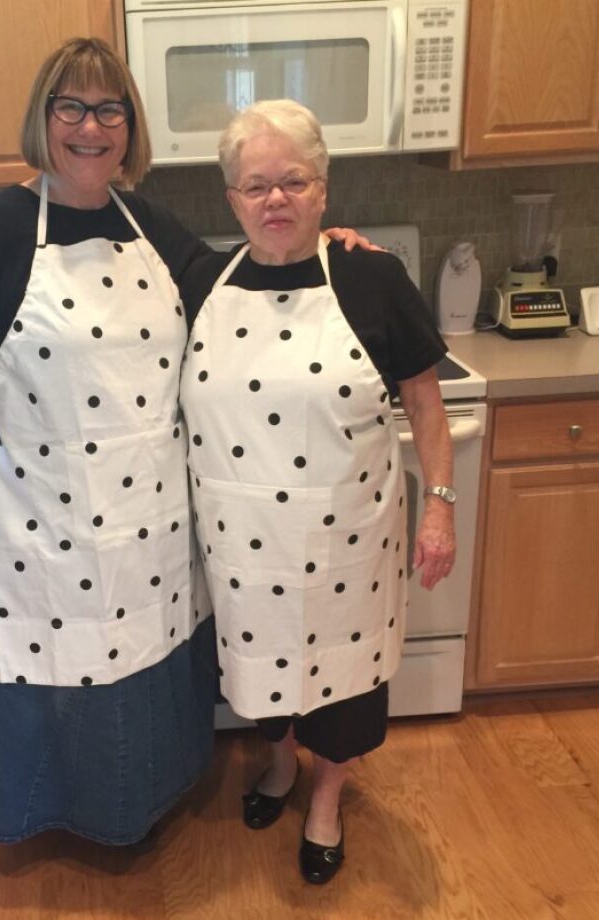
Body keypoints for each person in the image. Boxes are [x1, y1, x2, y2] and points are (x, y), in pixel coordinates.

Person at [0, 41, 369, 846]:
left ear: (129, 126)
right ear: (44, 119)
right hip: (41, 528)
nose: (92, 127)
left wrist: (324, 253)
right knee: (64, 682)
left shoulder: (151, 224)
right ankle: (70, 819)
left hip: (150, 527)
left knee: (147, 678)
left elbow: (237, 286)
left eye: (109, 109)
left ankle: (154, 805)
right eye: (72, 108)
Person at [178, 100, 456, 884]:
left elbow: (426, 402)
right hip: (241, 551)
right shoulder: (201, 279)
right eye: (255, 185)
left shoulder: (372, 276)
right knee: (260, 676)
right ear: (232, 200)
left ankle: (327, 795)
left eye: (292, 181)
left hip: (348, 546)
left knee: (343, 691)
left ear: (323, 190)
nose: (275, 199)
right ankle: (278, 764)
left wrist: (439, 504)